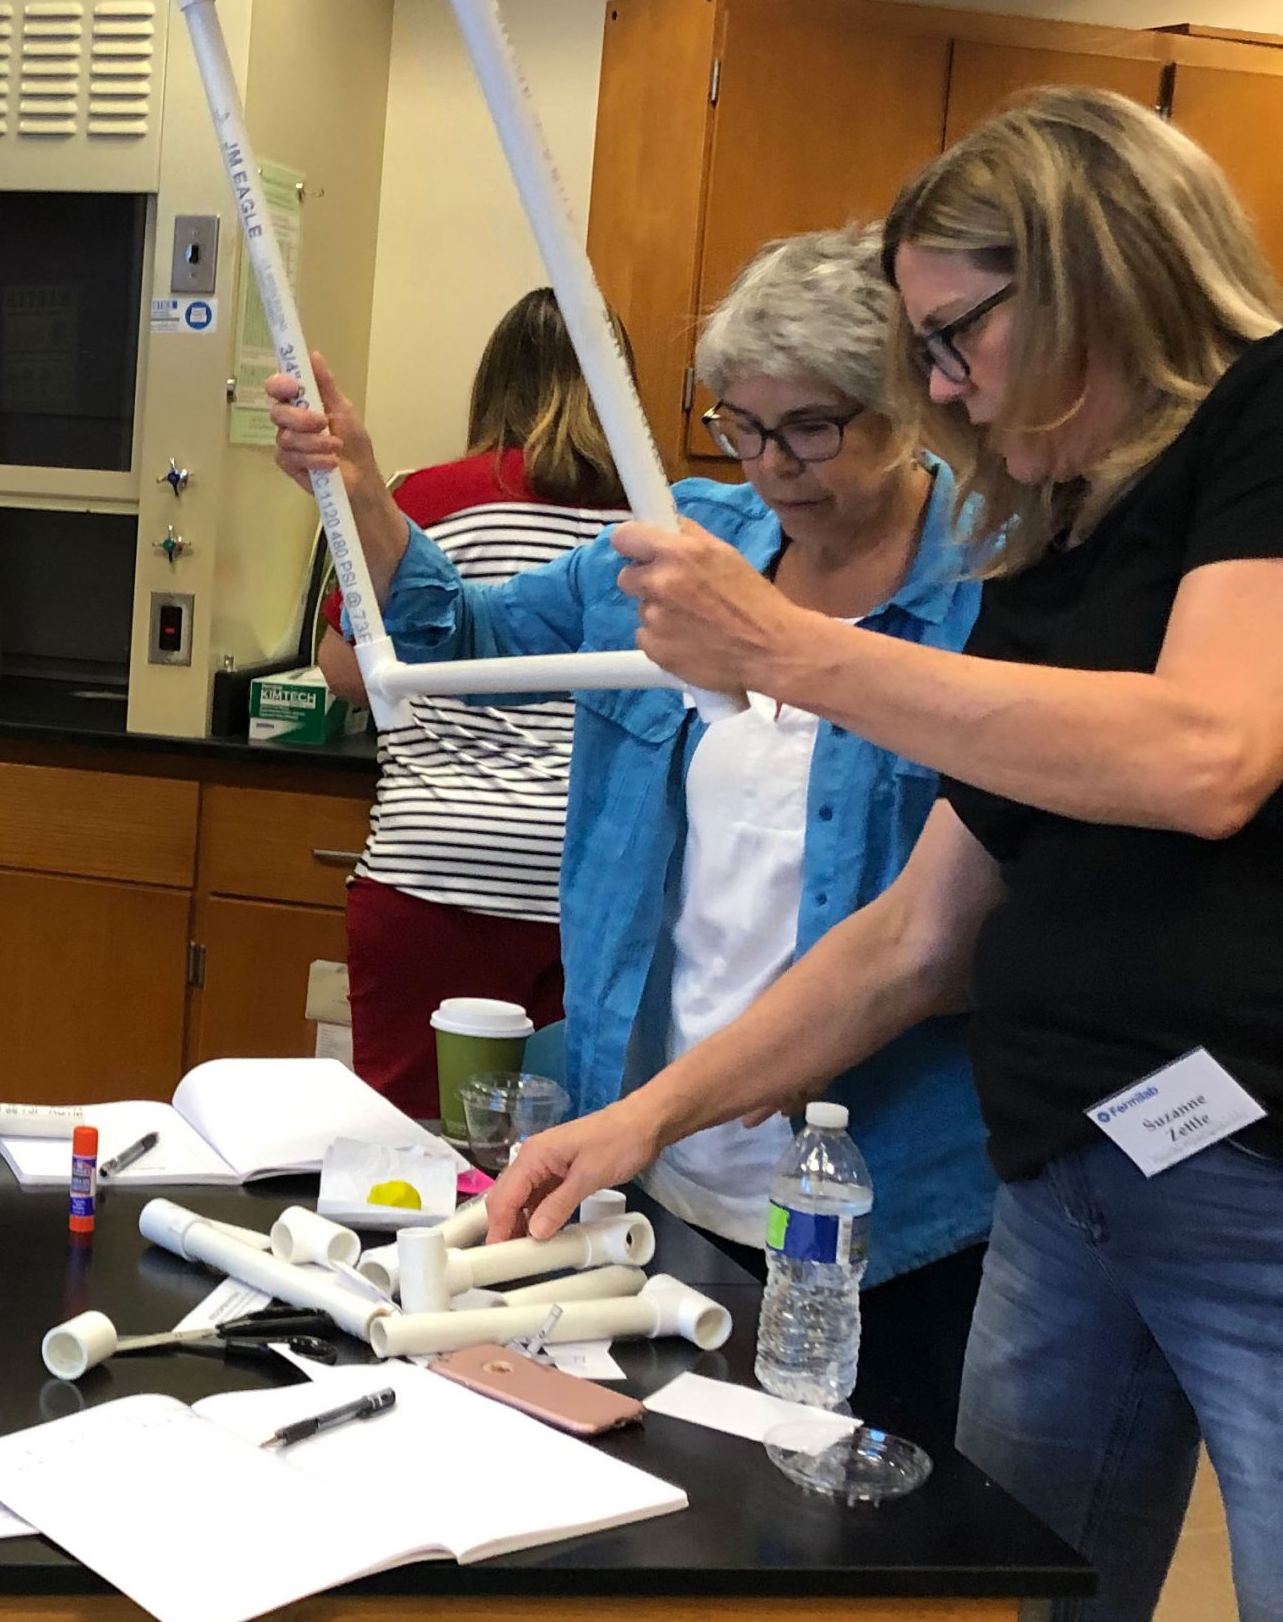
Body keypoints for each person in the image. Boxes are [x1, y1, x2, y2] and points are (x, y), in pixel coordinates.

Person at [492, 88, 1283, 1622]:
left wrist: (794, 655)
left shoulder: (1263, 420)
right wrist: (637, 1118)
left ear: (1088, 269)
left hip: (1252, 1178)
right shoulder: (1052, 543)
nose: (937, 384)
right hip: (1066, 1177)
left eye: (955, 334)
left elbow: (1211, 754)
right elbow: (919, 936)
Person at [272, 230, 991, 1423]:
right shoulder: (677, 549)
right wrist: (355, 482)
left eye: (811, 427)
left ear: (910, 399)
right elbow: (453, 638)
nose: (773, 467)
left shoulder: (990, 589)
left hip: (885, 1186)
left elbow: (941, 935)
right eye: (742, 426)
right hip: (661, 1161)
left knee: (860, 1523)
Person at [316, 289, 625, 1120]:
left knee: (414, 1145)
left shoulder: (418, 499)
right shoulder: (653, 518)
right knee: (576, 1159)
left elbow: (346, 668)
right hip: (587, 887)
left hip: (435, 867)